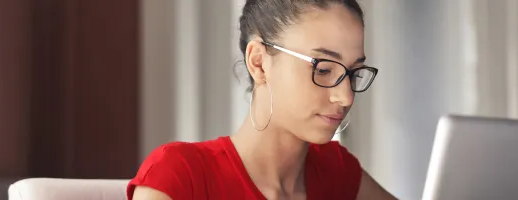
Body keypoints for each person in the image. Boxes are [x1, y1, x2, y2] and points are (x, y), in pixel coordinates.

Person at [127, 0, 396, 199]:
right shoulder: (180, 176)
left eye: (353, 74)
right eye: (323, 69)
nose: (345, 96)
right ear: (259, 62)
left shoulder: (336, 171)